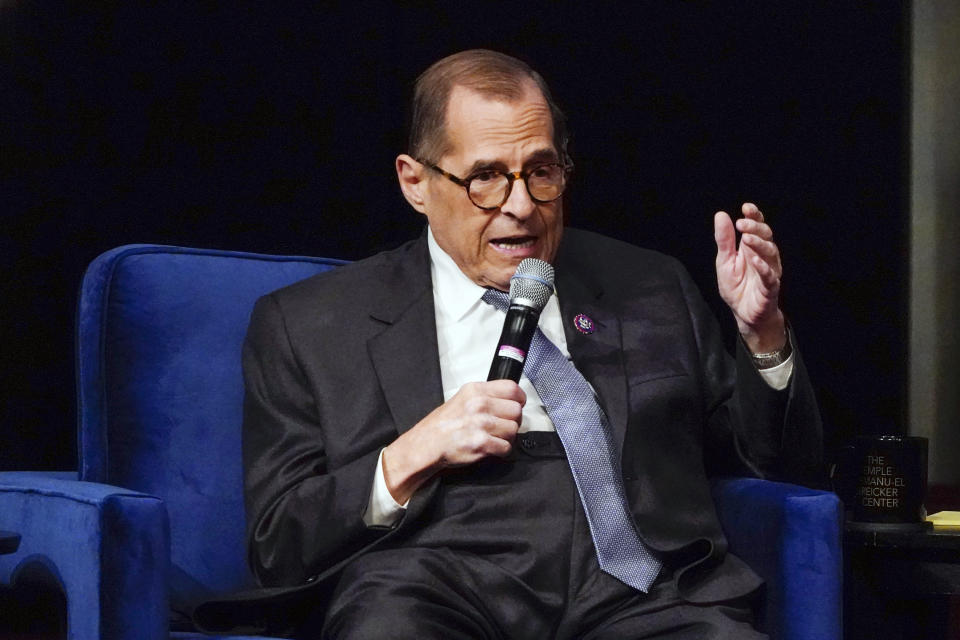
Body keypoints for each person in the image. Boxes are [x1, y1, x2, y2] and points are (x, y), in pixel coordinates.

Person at [236, 49, 822, 639]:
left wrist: (762, 335)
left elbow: (768, 463)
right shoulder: (309, 325)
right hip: (433, 585)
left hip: (642, 595)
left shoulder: (649, 286)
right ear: (415, 183)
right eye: (485, 177)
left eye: (541, 171)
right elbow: (277, 545)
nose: (521, 206)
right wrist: (409, 455)